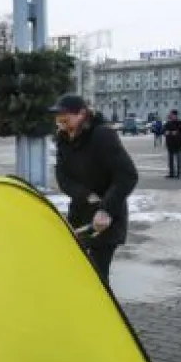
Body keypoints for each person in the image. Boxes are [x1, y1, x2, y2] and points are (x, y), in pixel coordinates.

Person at [50, 94, 138, 286]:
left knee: (96, 278)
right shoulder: (63, 139)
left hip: (106, 219)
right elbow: (63, 177)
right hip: (80, 216)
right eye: (58, 115)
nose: (60, 119)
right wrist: (85, 195)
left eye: (65, 115)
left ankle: (100, 313)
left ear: (82, 114)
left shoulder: (102, 135)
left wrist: (105, 209)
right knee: (76, 272)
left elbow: (128, 175)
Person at [163, 109, 181, 179]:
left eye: (172, 115)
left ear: (176, 115)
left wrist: (177, 133)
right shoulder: (168, 123)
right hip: (170, 144)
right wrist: (166, 133)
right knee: (170, 159)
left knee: (178, 159)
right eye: (171, 115)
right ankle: (171, 173)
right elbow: (164, 131)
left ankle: (178, 173)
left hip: (178, 144)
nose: (171, 116)